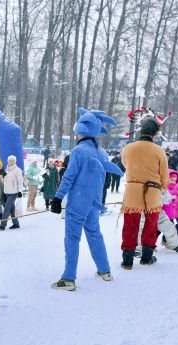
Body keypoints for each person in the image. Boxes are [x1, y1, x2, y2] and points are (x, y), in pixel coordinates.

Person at [49, 109, 123, 290]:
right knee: (95, 235)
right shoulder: (102, 153)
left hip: (77, 203)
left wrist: (58, 198)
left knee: (72, 238)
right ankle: (105, 270)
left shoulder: (78, 151)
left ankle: (68, 278)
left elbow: (69, 176)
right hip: (93, 203)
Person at [119, 117, 168, 269]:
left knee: (130, 225)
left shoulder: (128, 148)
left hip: (133, 189)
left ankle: (127, 259)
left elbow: (125, 164)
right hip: (152, 190)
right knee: (151, 224)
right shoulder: (159, 151)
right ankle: (146, 257)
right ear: (155, 133)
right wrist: (163, 187)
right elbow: (164, 175)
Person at [0, 155, 23, 230]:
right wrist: (2, 175)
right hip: (6, 192)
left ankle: (3, 224)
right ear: (8, 161)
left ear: (15, 161)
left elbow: (20, 181)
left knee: (6, 208)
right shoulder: (6, 169)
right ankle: (16, 223)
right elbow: (4, 180)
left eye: (13, 160)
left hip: (14, 192)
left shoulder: (17, 170)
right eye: (10, 160)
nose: (11, 162)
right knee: (12, 209)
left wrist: (19, 191)